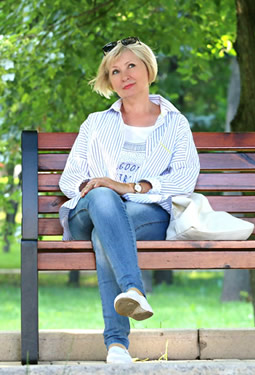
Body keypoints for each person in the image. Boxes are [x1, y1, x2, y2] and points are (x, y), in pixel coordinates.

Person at [59, 37, 200, 364]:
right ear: (109, 81)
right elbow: (70, 177)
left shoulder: (174, 124)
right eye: (115, 71)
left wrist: (128, 187)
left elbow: (184, 178)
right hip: (87, 213)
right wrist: (101, 188)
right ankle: (134, 291)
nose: (124, 76)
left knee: (105, 234)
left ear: (148, 69)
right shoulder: (96, 123)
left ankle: (117, 346)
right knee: (103, 199)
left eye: (131, 66)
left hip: (145, 214)